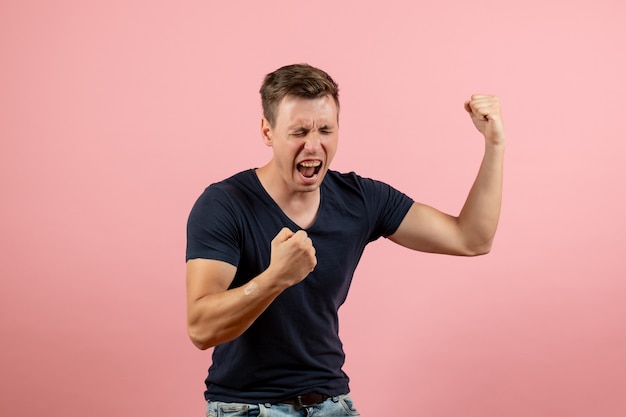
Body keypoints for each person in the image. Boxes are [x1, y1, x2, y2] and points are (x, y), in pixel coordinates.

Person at [185, 63, 505, 416]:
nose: (313, 145)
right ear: (267, 131)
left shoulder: (361, 199)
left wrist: (495, 144)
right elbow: (201, 328)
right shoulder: (225, 204)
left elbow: (471, 238)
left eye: (325, 130)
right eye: (299, 131)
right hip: (246, 406)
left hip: (331, 404)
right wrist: (274, 279)